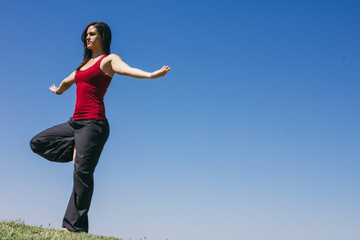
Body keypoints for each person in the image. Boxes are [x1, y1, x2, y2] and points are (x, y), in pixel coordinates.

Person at [30, 22, 170, 233]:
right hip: (74, 123)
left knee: (81, 174)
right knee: (38, 142)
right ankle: (79, 154)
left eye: (92, 34)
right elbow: (69, 81)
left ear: (103, 36)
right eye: (86, 35)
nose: (88, 38)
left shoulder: (108, 60)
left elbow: (127, 70)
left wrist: (151, 74)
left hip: (94, 125)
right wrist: (58, 91)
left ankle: (73, 227)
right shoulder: (83, 65)